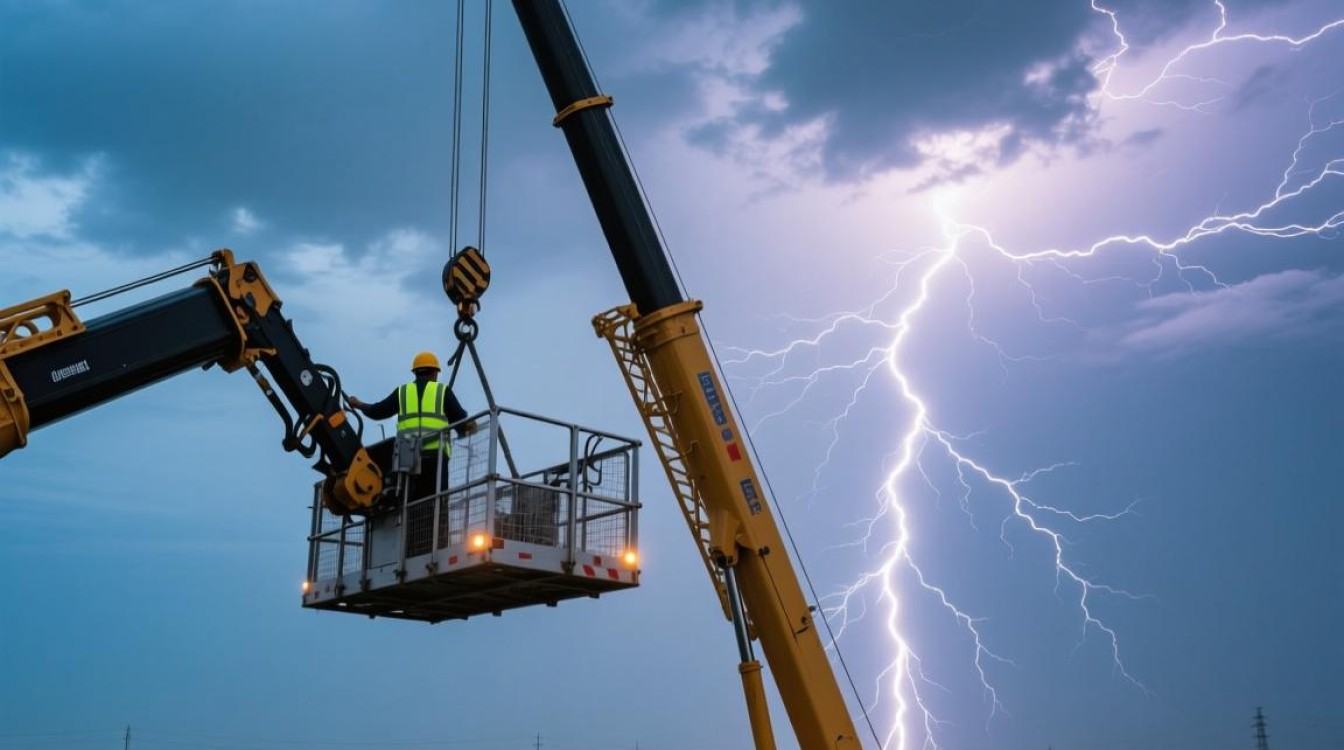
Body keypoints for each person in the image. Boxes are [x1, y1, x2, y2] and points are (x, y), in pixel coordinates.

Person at [347, 351, 474, 502]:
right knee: (437, 501)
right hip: (435, 455)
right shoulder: (442, 391)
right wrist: (467, 428)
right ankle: (438, 525)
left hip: (407, 454)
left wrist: (359, 404)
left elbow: (378, 411)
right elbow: (461, 419)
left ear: (415, 373)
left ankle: (408, 524)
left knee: (410, 502)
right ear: (435, 373)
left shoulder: (402, 392)